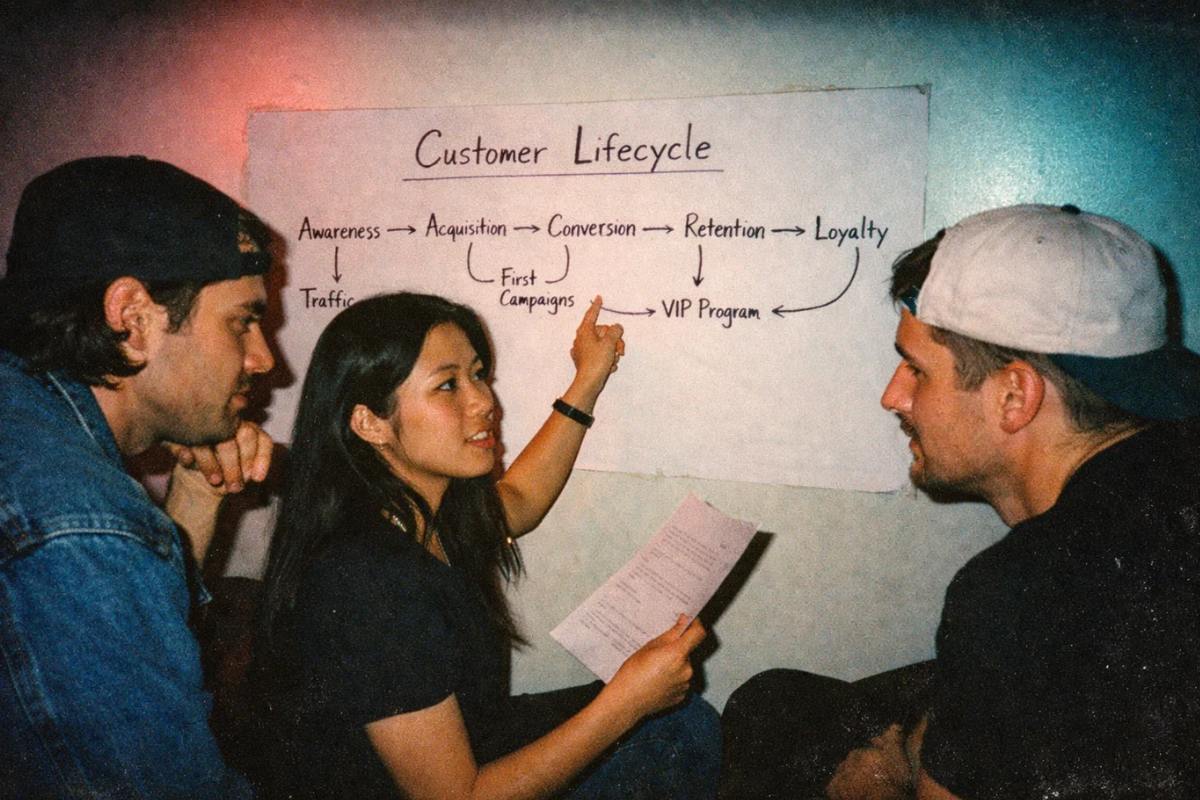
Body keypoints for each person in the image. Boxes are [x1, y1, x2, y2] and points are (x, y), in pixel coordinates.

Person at [720, 204, 1200, 799]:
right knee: (773, 701)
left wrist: (883, 786)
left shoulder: (1015, 593)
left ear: (1014, 396)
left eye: (917, 371)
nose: (892, 396)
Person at [254, 292, 721, 799]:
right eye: (448, 385)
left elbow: (522, 499)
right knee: (677, 730)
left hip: (474, 745)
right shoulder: (369, 578)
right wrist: (626, 703)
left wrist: (588, 379)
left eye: (478, 375)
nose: (483, 401)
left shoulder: (423, 515)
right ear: (370, 423)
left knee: (682, 718)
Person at [0, 156, 277, 798]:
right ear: (132, 318)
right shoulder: (82, 530)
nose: (264, 359)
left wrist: (197, 493)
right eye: (242, 321)